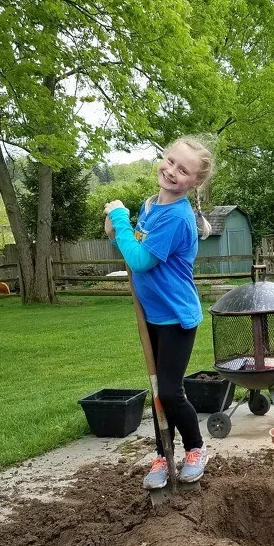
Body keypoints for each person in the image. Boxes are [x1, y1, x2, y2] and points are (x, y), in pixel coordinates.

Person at [104, 135, 215, 490]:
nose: (171, 171)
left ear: (194, 182)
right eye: (170, 161)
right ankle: (163, 453)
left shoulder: (177, 217)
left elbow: (139, 259)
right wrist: (115, 232)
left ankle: (196, 448)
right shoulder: (151, 205)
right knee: (157, 389)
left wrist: (119, 218)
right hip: (152, 314)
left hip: (177, 317)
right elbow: (134, 244)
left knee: (168, 389)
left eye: (183, 171)